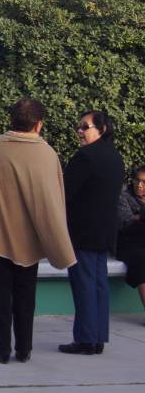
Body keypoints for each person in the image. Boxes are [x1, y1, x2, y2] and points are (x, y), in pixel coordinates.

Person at [0, 98, 75, 364]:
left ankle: (1, 349)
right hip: (29, 237)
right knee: (26, 293)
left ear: (11, 121)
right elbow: (53, 200)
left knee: (0, 294)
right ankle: (24, 348)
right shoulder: (46, 154)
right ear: (39, 124)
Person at [60, 111, 124, 356]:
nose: (80, 131)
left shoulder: (86, 156)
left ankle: (86, 339)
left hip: (83, 231)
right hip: (104, 231)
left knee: (85, 284)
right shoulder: (115, 157)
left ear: (102, 129)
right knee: (99, 285)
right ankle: (97, 338)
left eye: (85, 127)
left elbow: (65, 192)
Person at [114, 166, 145, 315]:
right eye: (137, 181)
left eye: (144, 182)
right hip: (129, 242)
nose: (139, 185)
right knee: (141, 261)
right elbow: (125, 222)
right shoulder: (124, 196)